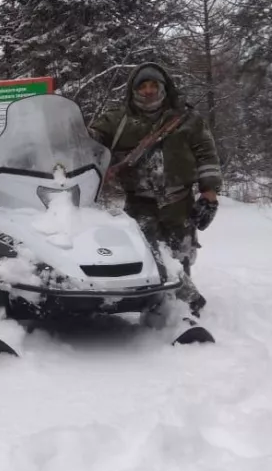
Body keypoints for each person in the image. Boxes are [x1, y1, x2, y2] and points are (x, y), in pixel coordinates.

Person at [88, 62, 221, 317]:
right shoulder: (118, 119)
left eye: (153, 85)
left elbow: (207, 155)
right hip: (139, 202)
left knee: (179, 253)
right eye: (143, 86)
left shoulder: (187, 119)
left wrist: (209, 193)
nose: (148, 91)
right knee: (147, 253)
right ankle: (161, 303)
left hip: (179, 201)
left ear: (163, 87)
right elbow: (91, 139)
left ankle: (182, 310)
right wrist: (76, 135)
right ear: (133, 90)